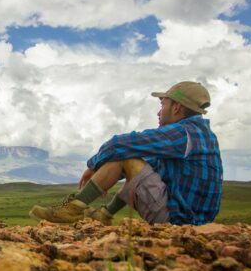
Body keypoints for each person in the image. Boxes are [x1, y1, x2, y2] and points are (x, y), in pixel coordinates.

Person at [29, 81, 223, 226]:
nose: (159, 112)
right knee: (143, 165)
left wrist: (93, 166)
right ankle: (104, 215)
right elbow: (146, 169)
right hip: (193, 219)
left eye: (162, 105)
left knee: (125, 155)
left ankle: (72, 209)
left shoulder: (183, 134)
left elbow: (119, 144)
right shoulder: (200, 134)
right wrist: (107, 175)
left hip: (178, 220)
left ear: (177, 107)